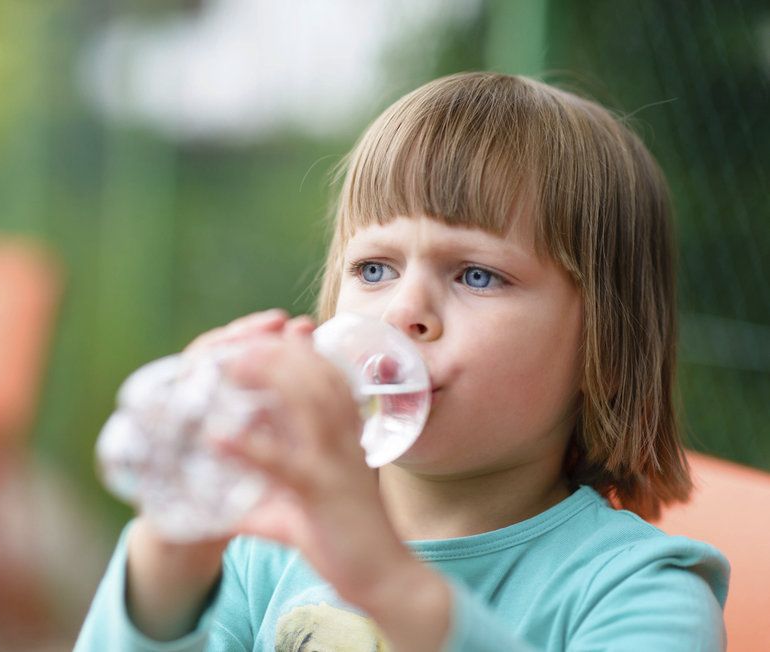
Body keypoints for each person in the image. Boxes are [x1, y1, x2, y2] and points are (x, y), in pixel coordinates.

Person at [75, 72, 729, 651]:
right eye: (374, 268)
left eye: (476, 275)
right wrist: (170, 554)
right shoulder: (263, 548)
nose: (402, 310)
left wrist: (387, 581)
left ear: (606, 348)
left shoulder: (639, 590)